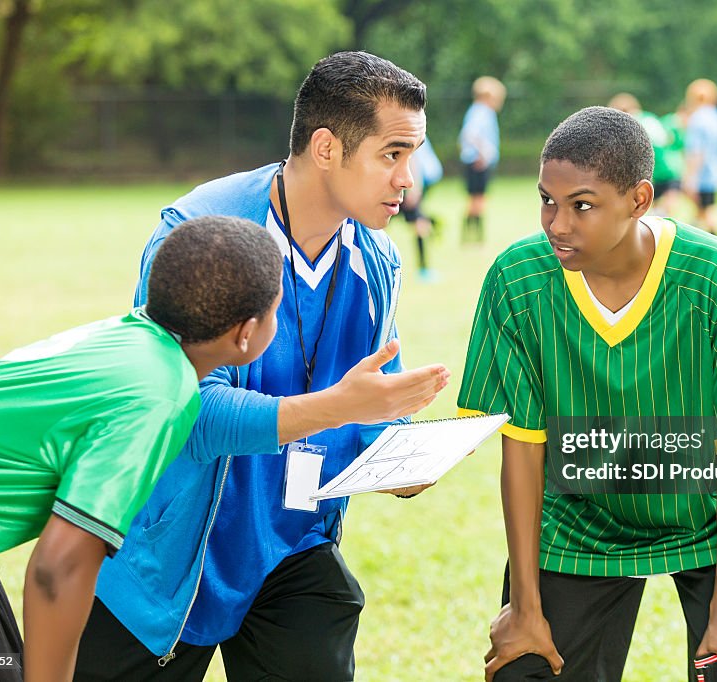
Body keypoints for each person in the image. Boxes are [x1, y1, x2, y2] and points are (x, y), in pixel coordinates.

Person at [73, 51, 450, 681]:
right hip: (165, 551)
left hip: (291, 546)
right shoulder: (199, 233)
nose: (408, 179)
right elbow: (187, 413)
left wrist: (401, 460)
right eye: (393, 154)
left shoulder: (376, 259)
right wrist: (342, 408)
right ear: (326, 148)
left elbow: (371, 408)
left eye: (413, 156)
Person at [459, 106, 717, 682]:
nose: (557, 224)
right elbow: (523, 449)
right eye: (547, 201)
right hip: (581, 518)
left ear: (639, 199)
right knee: (525, 669)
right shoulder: (518, 280)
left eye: (581, 205)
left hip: (713, 516)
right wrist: (526, 608)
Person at [0, 216, 284, 681]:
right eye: (277, 310)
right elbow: (59, 567)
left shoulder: (133, 337)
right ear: (246, 332)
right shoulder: (158, 394)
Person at [608, 92, 683, 217]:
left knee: (653, 205)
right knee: (663, 205)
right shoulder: (650, 118)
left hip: (657, 170)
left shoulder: (633, 125)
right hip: (673, 166)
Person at [459, 75, 506, 243]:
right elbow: (470, 134)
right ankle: (475, 238)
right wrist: (483, 153)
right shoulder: (482, 111)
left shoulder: (476, 110)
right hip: (478, 162)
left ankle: (470, 237)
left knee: (476, 200)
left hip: (475, 161)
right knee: (477, 201)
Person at [682, 79, 717, 234]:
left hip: (703, 175)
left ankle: (715, 241)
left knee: (707, 210)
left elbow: (697, 152)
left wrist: (690, 177)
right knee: (703, 209)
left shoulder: (698, 119)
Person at [402, 137, 443, 281]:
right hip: (411, 186)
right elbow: (413, 160)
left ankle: (424, 268)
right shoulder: (412, 129)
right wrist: (415, 188)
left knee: (418, 223)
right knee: (418, 224)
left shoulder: (413, 129)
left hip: (414, 186)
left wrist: (415, 189)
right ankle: (424, 269)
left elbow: (414, 160)